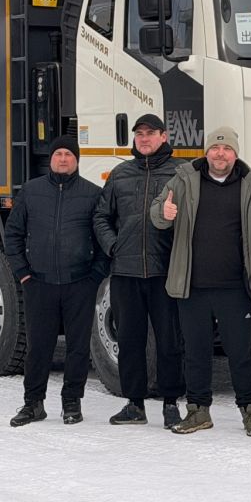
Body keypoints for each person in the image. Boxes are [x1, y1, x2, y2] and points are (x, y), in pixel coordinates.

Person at [150, 125, 251, 436]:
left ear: (235, 154)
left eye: (227, 149)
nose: (220, 154)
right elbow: (156, 213)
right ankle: (198, 411)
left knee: (241, 352)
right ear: (206, 152)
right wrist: (165, 213)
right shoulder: (183, 180)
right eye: (215, 148)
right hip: (192, 285)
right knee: (195, 351)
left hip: (236, 287)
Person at [3, 135, 106, 427]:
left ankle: (72, 402)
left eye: (69, 155)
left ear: (77, 160)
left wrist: (94, 276)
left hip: (79, 283)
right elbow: (13, 235)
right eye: (59, 153)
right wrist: (24, 273)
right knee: (38, 345)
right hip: (39, 282)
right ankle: (33, 403)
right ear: (51, 159)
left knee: (77, 347)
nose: (63, 159)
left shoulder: (92, 194)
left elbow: (102, 240)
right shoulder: (31, 192)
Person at [92, 113, 185, 429]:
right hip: (126, 271)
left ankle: (171, 403)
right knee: (129, 339)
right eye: (139, 134)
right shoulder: (120, 174)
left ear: (164, 136)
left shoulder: (180, 174)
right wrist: (113, 247)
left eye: (150, 133)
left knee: (170, 341)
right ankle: (135, 404)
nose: (144, 138)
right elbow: (101, 217)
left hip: (165, 272)